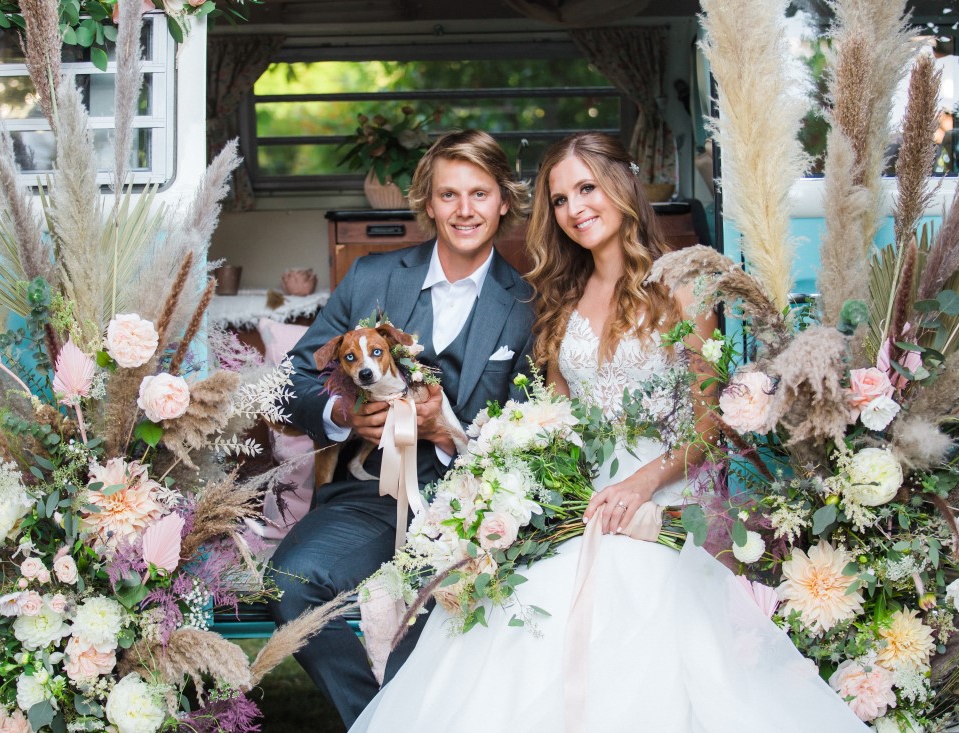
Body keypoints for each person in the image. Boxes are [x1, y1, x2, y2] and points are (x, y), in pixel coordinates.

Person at [348, 133, 867, 732]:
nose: (575, 209)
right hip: (579, 498)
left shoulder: (683, 286)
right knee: (520, 606)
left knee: (633, 599)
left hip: (662, 494)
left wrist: (641, 484)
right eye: (561, 199)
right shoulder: (561, 298)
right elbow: (555, 422)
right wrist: (515, 489)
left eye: (587, 189)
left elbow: (708, 423)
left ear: (623, 186)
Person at [270, 129, 535, 729]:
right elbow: (292, 381)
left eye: (480, 193)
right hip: (365, 498)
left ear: (502, 201)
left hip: (466, 507)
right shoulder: (371, 278)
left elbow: (528, 432)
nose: (464, 210)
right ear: (428, 202)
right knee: (290, 581)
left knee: (433, 612)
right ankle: (380, 719)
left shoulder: (526, 305)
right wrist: (342, 415)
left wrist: (451, 431)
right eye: (448, 194)